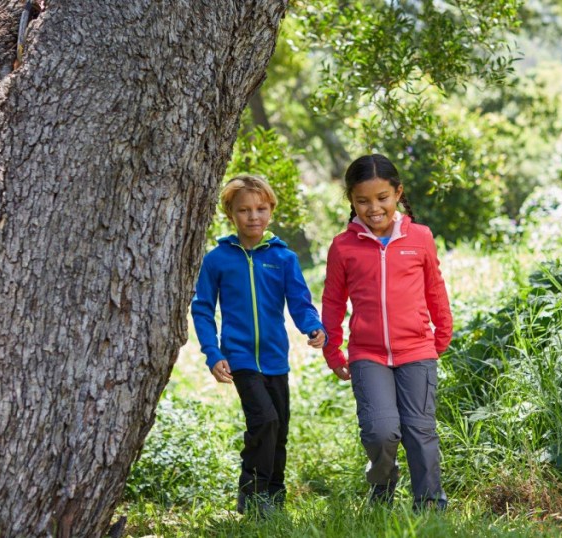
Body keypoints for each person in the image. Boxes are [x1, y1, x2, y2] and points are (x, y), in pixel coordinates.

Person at [321, 154, 453, 510]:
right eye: (363, 200)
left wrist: (441, 337)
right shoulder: (343, 246)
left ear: (398, 193)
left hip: (418, 351)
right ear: (351, 200)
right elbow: (332, 301)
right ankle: (382, 489)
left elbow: (435, 290)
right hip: (368, 354)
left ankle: (429, 506)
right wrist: (333, 351)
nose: (373, 207)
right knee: (380, 432)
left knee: (419, 432)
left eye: (382, 197)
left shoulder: (420, 237)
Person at [191, 174, 325, 516]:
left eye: (261, 209)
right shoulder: (218, 259)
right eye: (244, 210)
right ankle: (252, 493)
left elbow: (300, 302)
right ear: (231, 214)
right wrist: (213, 353)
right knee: (264, 420)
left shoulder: (283, 257)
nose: (254, 217)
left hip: (276, 359)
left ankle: (274, 495)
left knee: (278, 427)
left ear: (271, 210)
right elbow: (203, 308)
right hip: (240, 359)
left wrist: (313, 327)